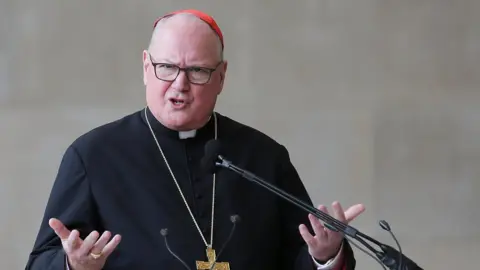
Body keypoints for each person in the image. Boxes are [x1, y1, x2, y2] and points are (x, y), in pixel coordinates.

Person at [25, 9, 365, 270]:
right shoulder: (93, 155)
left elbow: (297, 258)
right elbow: (41, 261)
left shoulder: (263, 156)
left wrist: (327, 255)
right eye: (167, 68)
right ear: (146, 67)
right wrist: (73, 264)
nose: (179, 85)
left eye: (197, 71)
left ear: (221, 77)